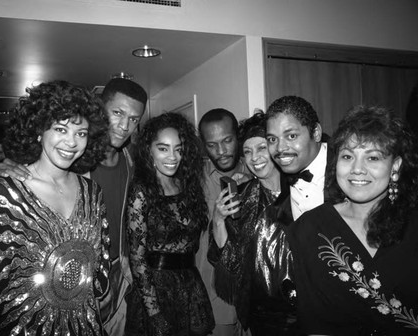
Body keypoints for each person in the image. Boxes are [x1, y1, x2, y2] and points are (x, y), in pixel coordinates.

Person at [0, 78, 148, 336]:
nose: (124, 126)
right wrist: (11, 164)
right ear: (99, 110)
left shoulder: (133, 162)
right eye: (118, 113)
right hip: (69, 286)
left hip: (120, 279)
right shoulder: (71, 159)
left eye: (134, 119)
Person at [0, 80, 111, 335]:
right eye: (60, 129)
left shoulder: (92, 193)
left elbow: (95, 276)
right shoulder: (4, 193)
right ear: (38, 130)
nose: (71, 142)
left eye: (81, 133)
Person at [288, 106, 418, 335]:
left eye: (373, 157)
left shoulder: (416, 226)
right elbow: (314, 324)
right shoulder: (309, 229)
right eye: (348, 156)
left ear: (395, 167)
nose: (357, 169)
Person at [125, 112, 215, 336]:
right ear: (149, 151)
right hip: (156, 288)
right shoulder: (141, 191)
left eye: (179, 148)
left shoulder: (185, 183)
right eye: (163, 148)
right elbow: (138, 260)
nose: (173, 156)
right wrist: (154, 313)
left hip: (190, 284)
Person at [208, 112, 297, 335]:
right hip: (261, 317)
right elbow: (227, 261)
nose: (254, 157)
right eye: (247, 152)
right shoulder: (244, 197)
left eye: (261, 148)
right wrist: (219, 221)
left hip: (305, 312)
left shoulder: (302, 191)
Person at [197, 108, 251, 336]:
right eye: (212, 145)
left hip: (256, 298)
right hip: (214, 299)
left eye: (227, 140)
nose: (221, 151)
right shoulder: (193, 178)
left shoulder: (258, 169)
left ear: (237, 136)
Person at [265, 96, 330, 224]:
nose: (280, 148)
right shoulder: (283, 171)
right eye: (272, 139)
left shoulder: (348, 168)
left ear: (316, 133)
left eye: (291, 136)